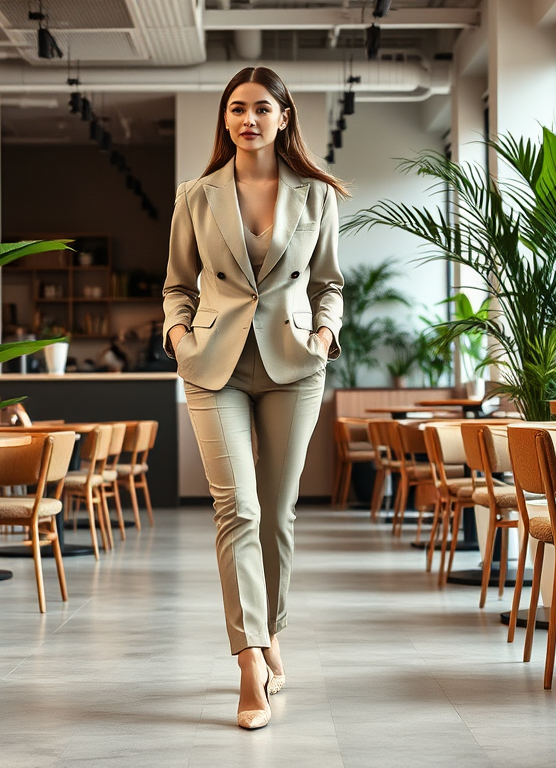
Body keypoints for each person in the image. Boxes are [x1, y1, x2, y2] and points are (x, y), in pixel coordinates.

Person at [163, 66, 347, 730]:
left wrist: (326, 331)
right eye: (237, 108)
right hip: (213, 365)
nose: (248, 119)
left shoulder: (318, 196)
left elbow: (329, 282)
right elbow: (177, 285)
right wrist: (179, 335)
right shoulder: (197, 195)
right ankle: (249, 663)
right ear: (225, 119)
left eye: (262, 108)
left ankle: (273, 631)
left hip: (296, 364)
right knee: (235, 507)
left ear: (284, 117)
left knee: (277, 512)